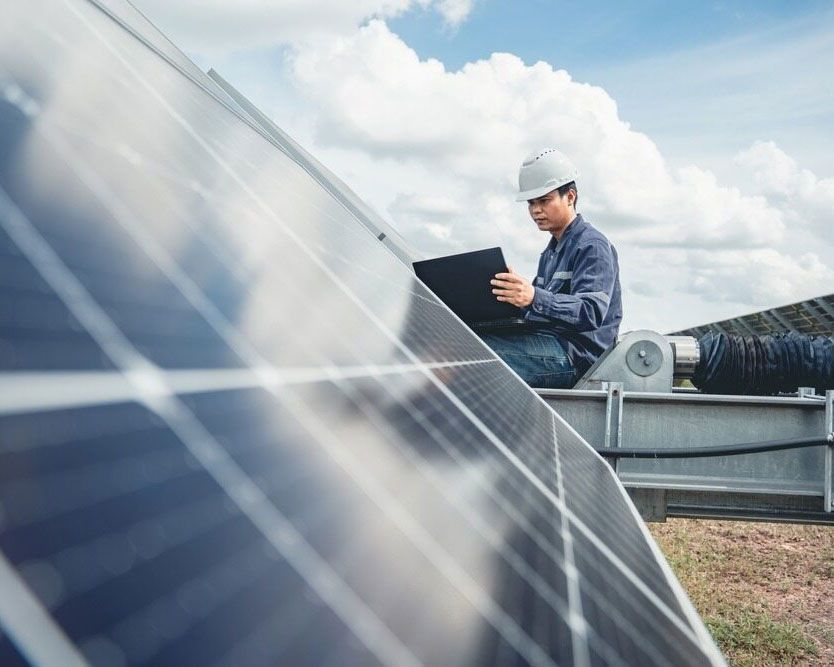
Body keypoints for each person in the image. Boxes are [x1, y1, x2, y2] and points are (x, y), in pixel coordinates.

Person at [480, 148, 622, 388]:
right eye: (531, 203)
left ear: (570, 196)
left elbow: (591, 312)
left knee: (473, 354)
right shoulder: (551, 252)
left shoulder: (592, 246)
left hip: (577, 357)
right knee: (470, 339)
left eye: (544, 201)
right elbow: (537, 309)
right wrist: (510, 300)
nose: (536, 210)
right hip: (549, 344)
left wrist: (534, 296)